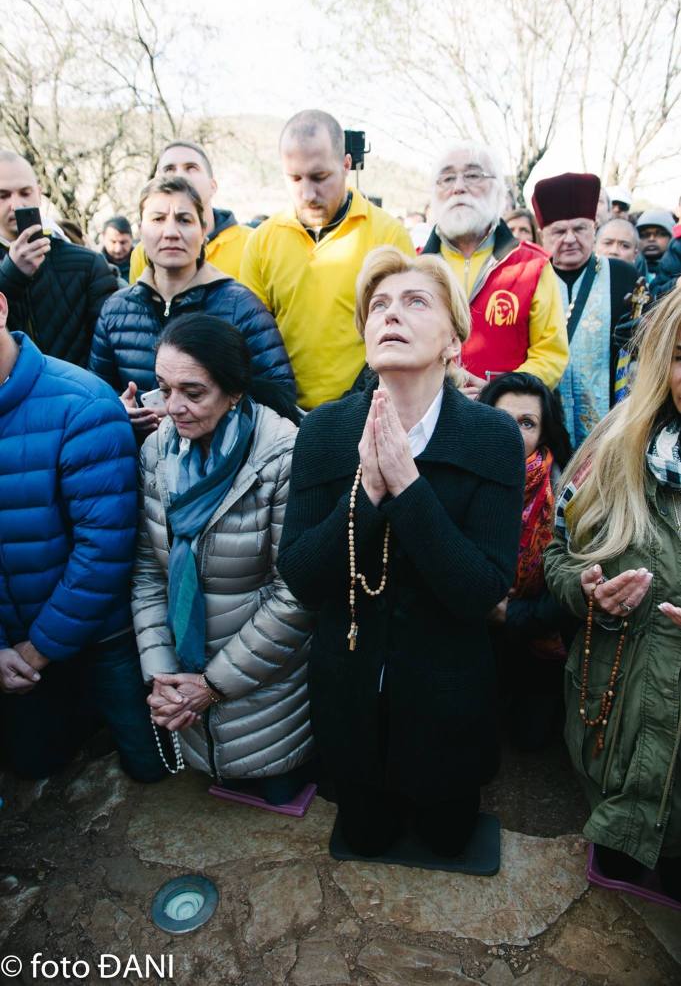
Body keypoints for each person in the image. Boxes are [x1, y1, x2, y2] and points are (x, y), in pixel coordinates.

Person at [278, 246, 525, 859]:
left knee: (447, 839)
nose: (392, 314)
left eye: (417, 302)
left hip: (447, 691)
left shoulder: (491, 436)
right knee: (365, 835)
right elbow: (303, 578)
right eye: (379, 305)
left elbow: (482, 590)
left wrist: (409, 490)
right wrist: (365, 489)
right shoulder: (325, 431)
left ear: (453, 338)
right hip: (351, 685)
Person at [131, 314, 314, 801]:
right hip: (186, 683)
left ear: (234, 392)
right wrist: (162, 675)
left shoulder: (282, 457)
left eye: (193, 392)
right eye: (163, 388)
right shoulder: (157, 452)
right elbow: (151, 572)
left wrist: (212, 685)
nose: (173, 408)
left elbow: (293, 594)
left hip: (267, 693)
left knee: (276, 789)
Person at [544, 289, 681, 903]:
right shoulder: (610, 449)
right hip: (614, 741)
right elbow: (556, 551)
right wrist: (585, 588)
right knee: (617, 883)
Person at [0, 291, 163, 782]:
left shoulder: (81, 403)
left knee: (151, 769)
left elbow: (104, 550)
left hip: (97, 633)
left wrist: (36, 651)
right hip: (10, 640)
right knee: (32, 769)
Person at [89, 176, 294, 436]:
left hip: (221, 467)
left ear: (203, 230)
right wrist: (118, 412)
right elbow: (96, 396)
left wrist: (207, 410)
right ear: (141, 230)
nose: (171, 232)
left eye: (184, 220)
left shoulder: (240, 306)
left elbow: (280, 395)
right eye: (158, 219)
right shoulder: (116, 310)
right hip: (139, 465)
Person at [239, 110, 415, 410]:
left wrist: (361, 400)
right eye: (295, 178)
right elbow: (250, 340)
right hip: (283, 418)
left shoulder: (388, 235)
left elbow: (404, 333)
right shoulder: (262, 241)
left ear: (346, 165)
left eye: (320, 177)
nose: (308, 193)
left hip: (367, 410)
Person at [422, 141, 568, 399]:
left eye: (473, 175)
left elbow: (550, 354)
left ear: (499, 191)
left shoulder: (532, 265)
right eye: (446, 178)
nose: (458, 187)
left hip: (506, 420)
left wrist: (500, 392)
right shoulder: (417, 266)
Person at [478, 372, 574, 751]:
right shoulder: (460, 476)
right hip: (472, 634)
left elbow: (571, 594)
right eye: (503, 420)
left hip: (539, 638)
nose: (513, 433)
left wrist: (510, 614)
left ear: (544, 433)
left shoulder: (567, 494)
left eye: (527, 423)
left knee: (531, 741)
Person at [532, 172, 638, 447]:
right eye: (558, 231)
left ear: (594, 228)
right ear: (543, 235)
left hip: (612, 429)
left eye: (579, 229)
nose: (569, 239)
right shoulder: (529, 279)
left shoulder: (622, 275)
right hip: (545, 429)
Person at [0, 150, 118, 368]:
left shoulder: (88, 264)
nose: (16, 205)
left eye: (25, 193)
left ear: (39, 193)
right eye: (3, 195)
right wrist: (10, 275)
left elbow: (109, 347)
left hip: (77, 397)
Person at [128, 141, 251, 283]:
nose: (179, 175)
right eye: (169, 169)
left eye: (191, 168)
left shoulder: (251, 244)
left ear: (213, 186)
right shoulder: (144, 252)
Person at [636, 210, 674, 276]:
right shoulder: (628, 269)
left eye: (660, 234)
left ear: (671, 237)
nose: (651, 239)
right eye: (644, 235)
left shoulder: (678, 270)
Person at [101, 216, 134, 282]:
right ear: (103, 238)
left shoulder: (144, 264)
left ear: (131, 239)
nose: (118, 249)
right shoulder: (95, 267)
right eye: (113, 242)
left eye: (123, 242)